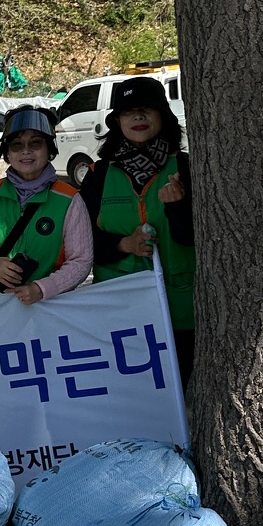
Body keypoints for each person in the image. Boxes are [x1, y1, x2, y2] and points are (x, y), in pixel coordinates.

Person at [81, 75, 197, 377]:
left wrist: (177, 207)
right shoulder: (98, 174)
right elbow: (81, 243)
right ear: (117, 121)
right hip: (120, 310)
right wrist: (123, 244)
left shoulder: (187, 168)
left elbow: (199, 239)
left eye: (147, 109)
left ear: (164, 116)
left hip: (182, 311)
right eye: (128, 111)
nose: (138, 117)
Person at [0, 106, 94, 304]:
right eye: (16, 145)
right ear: (7, 153)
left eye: (36, 143)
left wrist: (42, 289)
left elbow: (81, 260)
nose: (26, 151)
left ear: (49, 149)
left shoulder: (70, 200)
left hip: (49, 307)